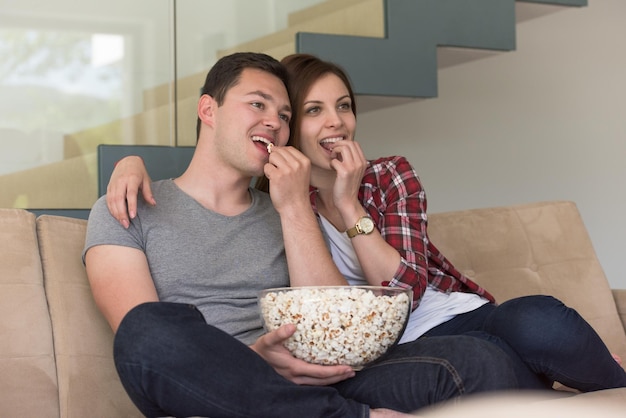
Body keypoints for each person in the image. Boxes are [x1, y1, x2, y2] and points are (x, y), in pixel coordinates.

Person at [108, 53, 626, 395]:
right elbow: (146, 335)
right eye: (311, 110)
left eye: (343, 107)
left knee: (539, 319)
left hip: (434, 317)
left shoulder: (370, 180)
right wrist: (131, 161)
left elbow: (399, 293)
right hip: (379, 349)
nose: (334, 121)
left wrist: (349, 202)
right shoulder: (281, 200)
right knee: (480, 357)